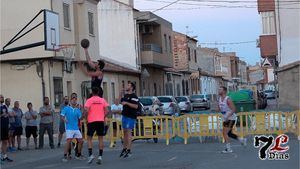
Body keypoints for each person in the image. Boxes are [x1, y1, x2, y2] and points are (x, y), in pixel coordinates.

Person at [218, 86, 247, 153]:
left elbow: (234, 109)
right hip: (225, 118)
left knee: (224, 132)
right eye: (219, 89)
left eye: (220, 89)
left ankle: (228, 149)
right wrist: (216, 110)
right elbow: (220, 108)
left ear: (224, 91)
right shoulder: (219, 99)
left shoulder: (228, 99)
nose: (219, 90)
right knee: (229, 133)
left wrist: (227, 116)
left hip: (230, 118)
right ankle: (242, 140)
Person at [84, 87, 109, 164]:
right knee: (100, 138)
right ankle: (100, 156)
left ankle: (91, 155)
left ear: (92, 92)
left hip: (91, 121)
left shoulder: (89, 100)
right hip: (100, 121)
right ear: (98, 92)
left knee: (89, 138)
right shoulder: (102, 100)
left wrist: (86, 118)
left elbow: (86, 111)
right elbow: (107, 111)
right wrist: (103, 116)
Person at [61, 93, 85, 162]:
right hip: (69, 128)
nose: (74, 100)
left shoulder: (77, 110)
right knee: (69, 141)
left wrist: (84, 113)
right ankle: (65, 155)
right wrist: (64, 119)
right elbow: (62, 116)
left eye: (75, 99)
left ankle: (79, 154)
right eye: (73, 99)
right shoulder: (66, 108)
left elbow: (80, 118)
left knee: (81, 141)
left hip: (76, 128)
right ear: (70, 100)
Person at [119, 82, 139, 158]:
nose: (126, 86)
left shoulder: (134, 96)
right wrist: (120, 93)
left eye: (128, 85)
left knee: (128, 132)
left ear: (132, 87)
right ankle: (124, 148)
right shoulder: (126, 95)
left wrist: (127, 103)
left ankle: (129, 150)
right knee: (124, 132)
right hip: (124, 116)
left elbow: (135, 106)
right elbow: (120, 102)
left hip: (131, 116)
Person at [0, 95, 13, 162]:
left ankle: (5, 156)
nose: (2, 98)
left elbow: (8, 115)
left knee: (5, 141)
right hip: (0, 126)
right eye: (1, 97)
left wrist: (8, 115)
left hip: (5, 126)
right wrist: (2, 115)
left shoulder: (4, 106)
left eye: (2, 97)